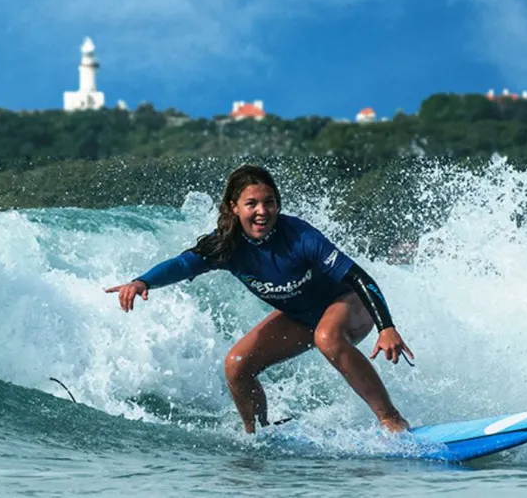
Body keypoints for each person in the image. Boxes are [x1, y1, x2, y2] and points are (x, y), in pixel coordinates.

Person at [105, 164, 414, 434]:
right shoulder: (226, 246)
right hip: (301, 316)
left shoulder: (299, 236)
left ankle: (391, 419)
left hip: (348, 304)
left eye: (269, 202)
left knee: (327, 337)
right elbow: (184, 264)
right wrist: (142, 281)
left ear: (278, 205)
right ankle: (260, 434)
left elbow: (360, 279)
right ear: (234, 207)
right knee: (237, 365)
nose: (262, 211)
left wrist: (386, 327)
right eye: (251, 203)